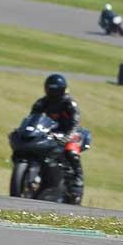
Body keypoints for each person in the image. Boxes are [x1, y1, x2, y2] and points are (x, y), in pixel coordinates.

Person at [29, 74, 87, 204]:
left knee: (71, 152)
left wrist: (68, 136)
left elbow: (75, 122)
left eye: (55, 90)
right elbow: (32, 119)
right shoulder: (42, 102)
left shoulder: (69, 103)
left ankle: (78, 182)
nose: (53, 93)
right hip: (48, 134)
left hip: (70, 133)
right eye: (51, 89)